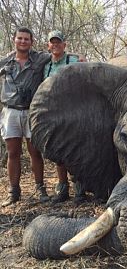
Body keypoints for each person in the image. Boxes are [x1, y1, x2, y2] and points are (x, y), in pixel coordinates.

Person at [0, 27, 50, 207]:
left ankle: (40, 189)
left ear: (31, 41)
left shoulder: (39, 58)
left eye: (26, 39)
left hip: (32, 111)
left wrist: (77, 58)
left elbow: (59, 53)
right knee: (13, 152)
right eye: (20, 38)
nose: (23, 41)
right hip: (10, 111)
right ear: (14, 40)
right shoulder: (5, 60)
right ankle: (13, 191)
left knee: (35, 151)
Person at [44, 30, 87, 204]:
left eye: (58, 42)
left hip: (73, 113)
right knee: (58, 151)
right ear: (48, 45)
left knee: (76, 150)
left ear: (64, 45)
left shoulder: (74, 61)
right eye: (52, 42)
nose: (55, 45)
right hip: (53, 114)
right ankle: (62, 189)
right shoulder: (45, 66)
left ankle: (80, 189)